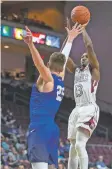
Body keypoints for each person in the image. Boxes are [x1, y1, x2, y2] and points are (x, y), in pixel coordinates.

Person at [22, 24, 83, 169]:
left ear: (49, 64)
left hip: (39, 128)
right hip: (52, 129)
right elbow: (64, 56)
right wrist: (70, 38)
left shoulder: (48, 79)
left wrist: (31, 45)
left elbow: (39, 64)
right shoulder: (60, 78)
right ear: (62, 68)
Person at [67, 25, 100, 169]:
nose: (83, 58)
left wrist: (83, 28)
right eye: (82, 57)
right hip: (77, 109)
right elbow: (63, 58)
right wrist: (70, 38)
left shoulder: (94, 71)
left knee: (80, 144)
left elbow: (89, 46)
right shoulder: (76, 70)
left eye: (86, 56)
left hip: (89, 107)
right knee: (73, 148)